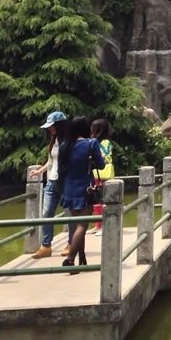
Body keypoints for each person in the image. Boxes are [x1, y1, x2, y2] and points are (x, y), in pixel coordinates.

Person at [59, 116, 105, 271]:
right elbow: (101, 165)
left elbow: (61, 169)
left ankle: (82, 259)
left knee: (78, 224)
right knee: (82, 226)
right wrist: (91, 161)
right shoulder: (91, 144)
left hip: (69, 189)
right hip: (85, 188)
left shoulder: (65, 146)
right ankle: (70, 259)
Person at [28, 111, 70, 259]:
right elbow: (52, 160)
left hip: (65, 182)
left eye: (52, 126)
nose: (50, 129)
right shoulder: (54, 140)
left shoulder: (70, 141)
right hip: (51, 182)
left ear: (60, 125)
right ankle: (46, 246)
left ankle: (71, 244)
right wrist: (41, 170)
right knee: (46, 213)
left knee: (69, 214)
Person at [89, 118, 115, 235]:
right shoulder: (93, 141)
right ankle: (97, 225)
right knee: (96, 200)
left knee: (102, 199)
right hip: (95, 173)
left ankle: (104, 226)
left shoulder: (105, 142)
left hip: (103, 174)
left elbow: (106, 157)